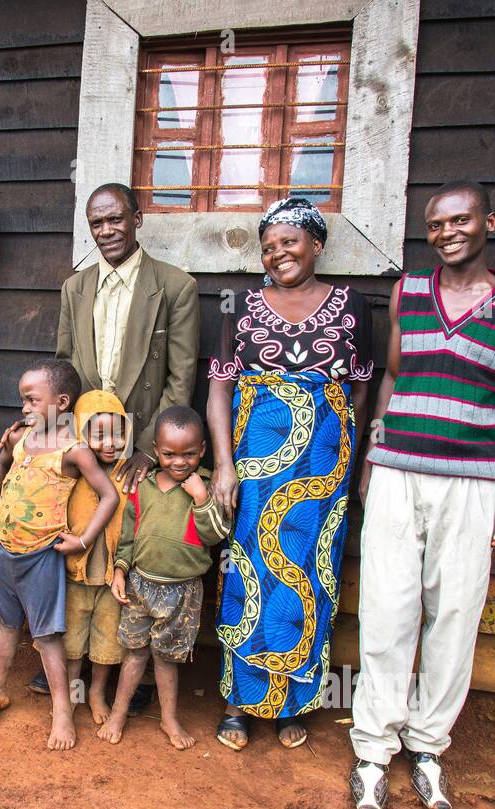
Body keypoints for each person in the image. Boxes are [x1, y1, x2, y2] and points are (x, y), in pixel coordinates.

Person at [349, 180, 495, 809]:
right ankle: (373, 752)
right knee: (387, 609)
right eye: (435, 224)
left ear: (490, 221)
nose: (448, 232)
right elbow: (395, 376)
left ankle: (428, 747)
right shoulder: (409, 292)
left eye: (461, 220)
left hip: (472, 479)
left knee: (454, 613)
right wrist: (374, 452)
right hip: (398, 470)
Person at [207, 197, 374, 751]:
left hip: (325, 464)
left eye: (290, 241)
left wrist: (359, 459)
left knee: (311, 573)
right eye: (269, 246)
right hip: (256, 463)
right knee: (248, 570)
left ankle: (292, 703)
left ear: (317, 244)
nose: (279, 253)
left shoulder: (353, 305)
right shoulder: (242, 303)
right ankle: (238, 699)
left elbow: (362, 387)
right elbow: (219, 390)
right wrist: (225, 466)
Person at [28, 182, 200, 703]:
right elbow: (62, 370)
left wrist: (147, 448)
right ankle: (71, 660)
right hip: (86, 444)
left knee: (126, 549)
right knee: (81, 542)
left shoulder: (175, 286)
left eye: (115, 220)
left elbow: (181, 375)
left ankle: (128, 663)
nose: (106, 231)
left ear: (137, 218)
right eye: (97, 223)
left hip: (141, 446)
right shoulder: (75, 288)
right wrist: (54, 436)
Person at [0, 360, 120, 751]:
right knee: (6, 624)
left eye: (31, 399)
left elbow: (109, 495)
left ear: (61, 401)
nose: (23, 407)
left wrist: (85, 540)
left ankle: (62, 713)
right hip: (4, 550)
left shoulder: (74, 452)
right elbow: (1, 464)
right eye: (22, 399)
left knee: (48, 636)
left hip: (40, 556)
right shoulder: (20, 437)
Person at [98, 406, 229, 750]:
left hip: (183, 592)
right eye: (169, 454)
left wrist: (201, 498)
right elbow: (127, 538)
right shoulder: (143, 488)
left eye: (189, 453)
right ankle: (118, 713)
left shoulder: (206, 486)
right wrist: (120, 570)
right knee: (134, 654)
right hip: (140, 586)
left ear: (202, 449)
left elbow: (216, 534)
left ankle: (169, 718)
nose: (179, 461)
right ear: (156, 450)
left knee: (166, 659)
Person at [62, 390, 132, 724]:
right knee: (72, 639)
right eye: (98, 435)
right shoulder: (71, 475)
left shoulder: (129, 476)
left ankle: (96, 692)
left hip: (111, 578)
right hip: (74, 574)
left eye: (118, 434)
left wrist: (123, 567)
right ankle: (74, 690)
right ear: (79, 433)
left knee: (107, 642)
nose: (109, 443)